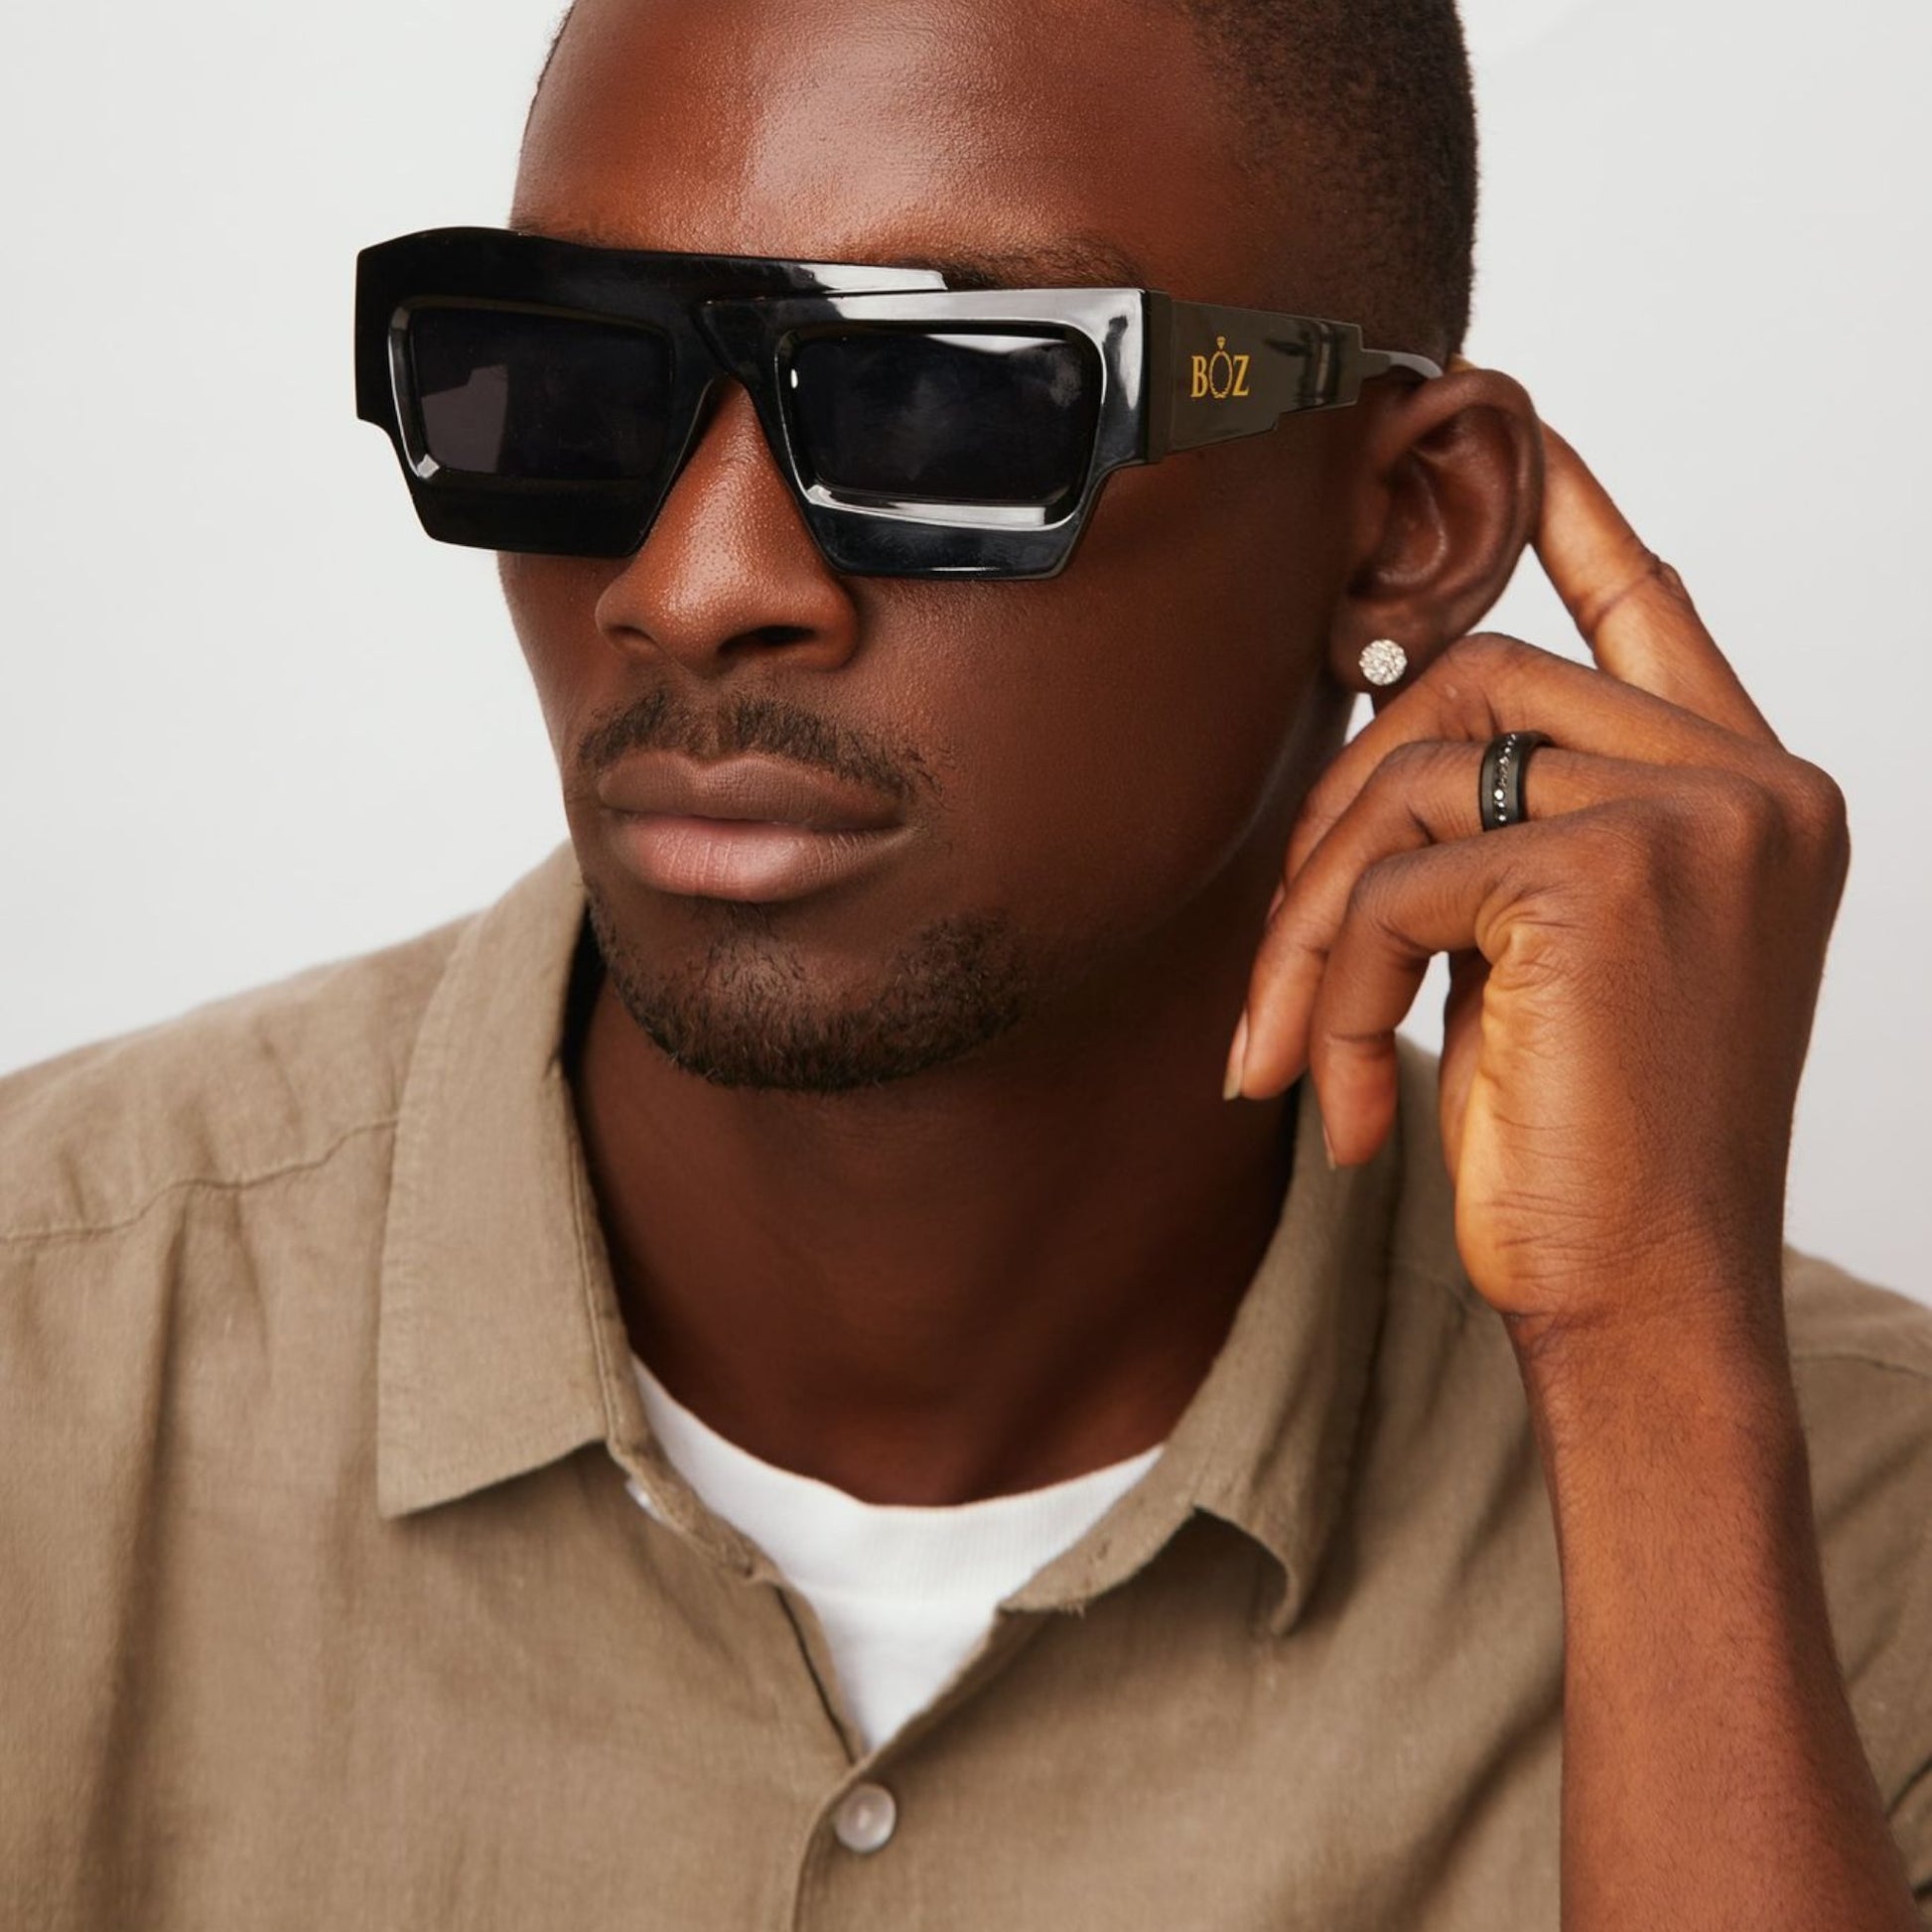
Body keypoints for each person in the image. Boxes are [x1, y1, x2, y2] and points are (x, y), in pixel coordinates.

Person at [3, 0, 1927, 1924]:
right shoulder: (48, 1359)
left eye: (942, 403)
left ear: (1405, 524)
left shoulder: (1872, 1547)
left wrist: (1651, 1380)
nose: (688, 587)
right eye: (578, 383)